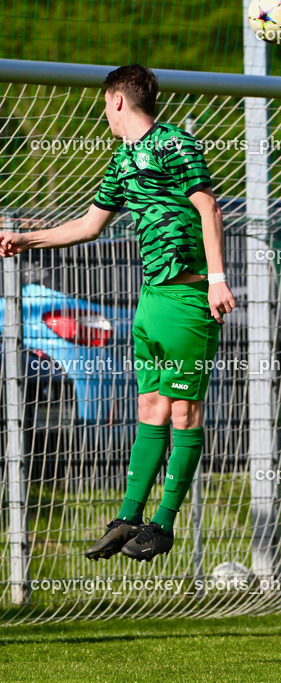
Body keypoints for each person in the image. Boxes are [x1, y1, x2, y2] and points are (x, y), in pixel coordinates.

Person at [0, 63, 235, 561]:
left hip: (188, 297)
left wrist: (217, 279)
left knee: (184, 411)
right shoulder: (123, 159)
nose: (103, 111)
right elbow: (90, 225)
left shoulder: (174, 143)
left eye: (105, 103)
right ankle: (130, 517)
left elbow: (208, 207)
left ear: (118, 100)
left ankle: (163, 524)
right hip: (151, 299)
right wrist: (27, 239)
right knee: (149, 407)